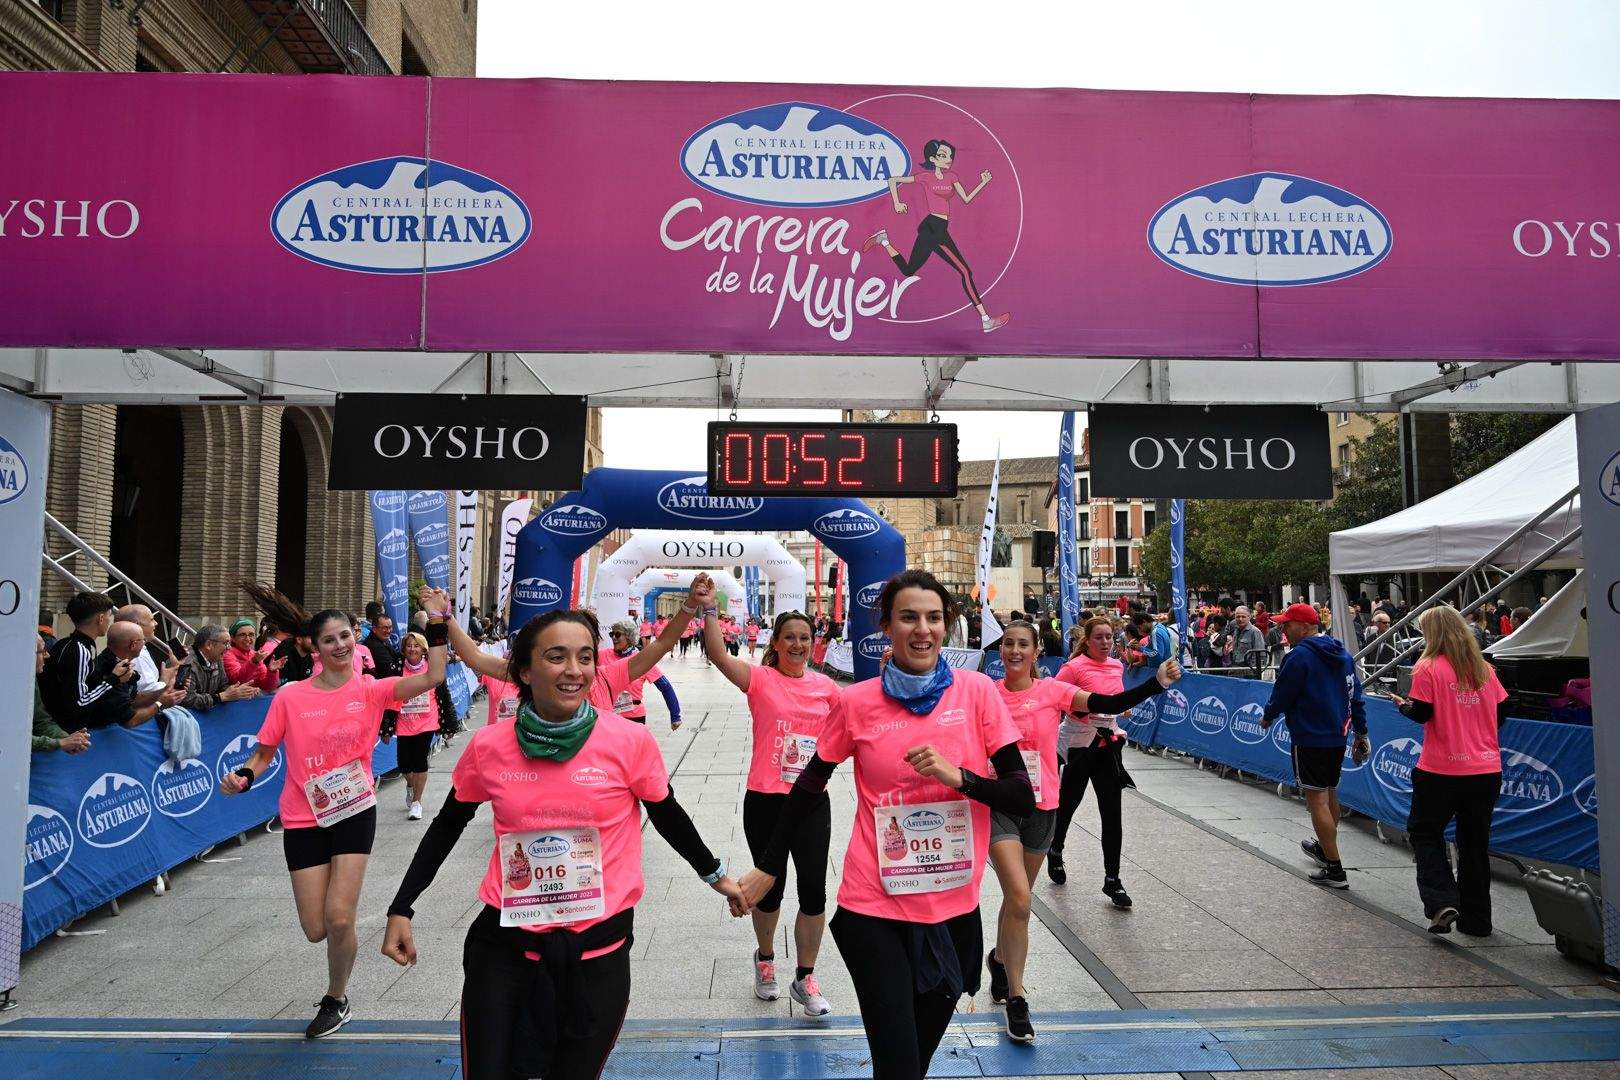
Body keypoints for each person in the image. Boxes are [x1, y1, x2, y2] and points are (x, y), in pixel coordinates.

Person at [381, 605, 748, 1079]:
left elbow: (667, 814)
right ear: (524, 671)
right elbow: (447, 825)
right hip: (506, 948)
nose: (574, 671)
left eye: (584, 657)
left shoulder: (628, 742)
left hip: (597, 952)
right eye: (556, 657)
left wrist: (716, 875)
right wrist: (401, 906)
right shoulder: (489, 746)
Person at [737, 570, 1035, 1079]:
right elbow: (808, 786)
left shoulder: (977, 692)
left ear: (947, 626)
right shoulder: (857, 702)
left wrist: (958, 776)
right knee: (897, 1062)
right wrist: (767, 867)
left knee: (911, 1064)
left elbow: (1020, 794)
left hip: (952, 908)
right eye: (909, 617)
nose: (923, 629)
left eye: (934, 618)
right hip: (874, 904)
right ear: (887, 627)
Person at [219, 606, 447, 1039]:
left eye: (346, 636)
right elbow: (264, 754)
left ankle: (335, 998)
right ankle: (335, 976)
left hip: (354, 810)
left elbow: (434, 676)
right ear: (315, 647)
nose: (341, 645)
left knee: (340, 918)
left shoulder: (373, 689)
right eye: (330, 640)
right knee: (315, 928)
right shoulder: (290, 696)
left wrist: (436, 623)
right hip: (304, 816)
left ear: (355, 638)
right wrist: (245, 776)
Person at [989, 619, 1179, 1042]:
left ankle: (1000, 959)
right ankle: (1018, 999)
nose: (1014, 651)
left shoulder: (1053, 691)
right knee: (1020, 897)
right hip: (1003, 806)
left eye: (1024, 644)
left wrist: (1157, 684)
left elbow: (1110, 702)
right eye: (1008, 645)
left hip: (1043, 805)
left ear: (1038, 651)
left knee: (1015, 898)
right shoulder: (987, 693)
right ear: (1000, 651)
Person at [702, 606, 839, 1016]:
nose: (797, 644)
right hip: (765, 799)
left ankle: (805, 976)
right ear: (775, 644)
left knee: (814, 888)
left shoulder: (828, 688)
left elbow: (861, 718)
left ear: (813, 643)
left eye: (804, 637)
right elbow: (718, 654)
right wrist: (709, 610)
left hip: (813, 800)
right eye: (789, 637)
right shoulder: (760, 680)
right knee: (772, 888)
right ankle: (765, 960)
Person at [1390, 606, 1509, 936]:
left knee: (1425, 833)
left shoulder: (1427, 668)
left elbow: (1423, 714)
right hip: (1485, 769)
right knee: (1474, 844)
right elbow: (1501, 717)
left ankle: (1442, 900)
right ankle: (1477, 921)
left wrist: (1403, 707)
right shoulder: (1485, 670)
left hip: (1441, 768)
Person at [1260, 603, 1369, 889]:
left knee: (1316, 799)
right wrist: (1361, 731)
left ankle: (1335, 869)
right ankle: (1325, 848)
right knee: (1330, 791)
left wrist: (1268, 715)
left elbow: (1283, 692)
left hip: (1309, 735)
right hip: (1337, 735)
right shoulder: (1342, 655)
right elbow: (1355, 695)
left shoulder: (1299, 657)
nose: (1283, 629)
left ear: (1305, 626)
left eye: (1288, 624)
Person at [1047, 616, 1156, 902]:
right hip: (1080, 746)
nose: (1106, 642)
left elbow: (1116, 697)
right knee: (1069, 803)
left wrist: (1121, 710)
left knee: (1112, 814)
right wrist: (1087, 714)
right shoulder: (1073, 667)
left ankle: (1112, 879)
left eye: (1109, 637)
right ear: (1087, 639)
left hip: (1108, 745)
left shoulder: (1116, 665)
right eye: (1099, 637)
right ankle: (1055, 849)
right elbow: (1057, 699)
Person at [862, 140, 1011, 334]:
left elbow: (966, 199)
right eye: (942, 155)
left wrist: (983, 182)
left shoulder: (952, 177)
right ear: (932, 159)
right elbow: (893, 180)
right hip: (932, 227)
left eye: (949, 155)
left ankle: (884, 240)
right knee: (965, 272)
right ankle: (985, 320)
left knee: (908, 270)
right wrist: (896, 203)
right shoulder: (925, 177)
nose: (948, 159)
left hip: (939, 228)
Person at [40, 590, 117, 729]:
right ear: (100, 619)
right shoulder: (79, 650)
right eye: (109, 616)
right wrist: (114, 679)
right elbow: (79, 703)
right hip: (69, 733)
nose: (109, 621)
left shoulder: (66, 644)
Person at [394, 632, 441, 821]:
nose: (412, 649)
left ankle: (417, 803)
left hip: (427, 720)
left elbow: (442, 693)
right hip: (404, 722)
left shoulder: (432, 668)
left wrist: (449, 724)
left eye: (416, 645)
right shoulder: (397, 669)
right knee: (404, 764)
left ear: (423, 649)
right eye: (409, 646)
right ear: (404, 650)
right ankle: (411, 785)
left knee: (420, 760)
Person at [605, 618, 682, 730]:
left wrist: (675, 716)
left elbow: (665, 687)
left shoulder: (642, 659)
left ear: (629, 636)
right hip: (609, 717)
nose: (613, 638)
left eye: (617, 634)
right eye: (612, 634)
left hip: (634, 718)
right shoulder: (603, 655)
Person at [33, 634, 91, 754]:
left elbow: (41, 722)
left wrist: (68, 739)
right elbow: (8, 737)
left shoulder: (31, 681)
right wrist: (59, 743)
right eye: (42, 651)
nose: (47, 655)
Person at [180, 625, 261, 712]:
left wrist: (239, 691)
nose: (229, 648)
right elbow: (186, 700)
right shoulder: (185, 664)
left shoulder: (217, 658)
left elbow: (223, 686)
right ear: (209, 645)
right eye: (225, 643)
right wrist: (222, 697)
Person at [225, 616, 284, 690]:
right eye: (242, 635)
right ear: (233, 638)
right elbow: (237, 681)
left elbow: (268, 687)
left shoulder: (255, 654)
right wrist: (253, 662)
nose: (247, 639)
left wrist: (272, 672)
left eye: (251, 635)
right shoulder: (228, 655)